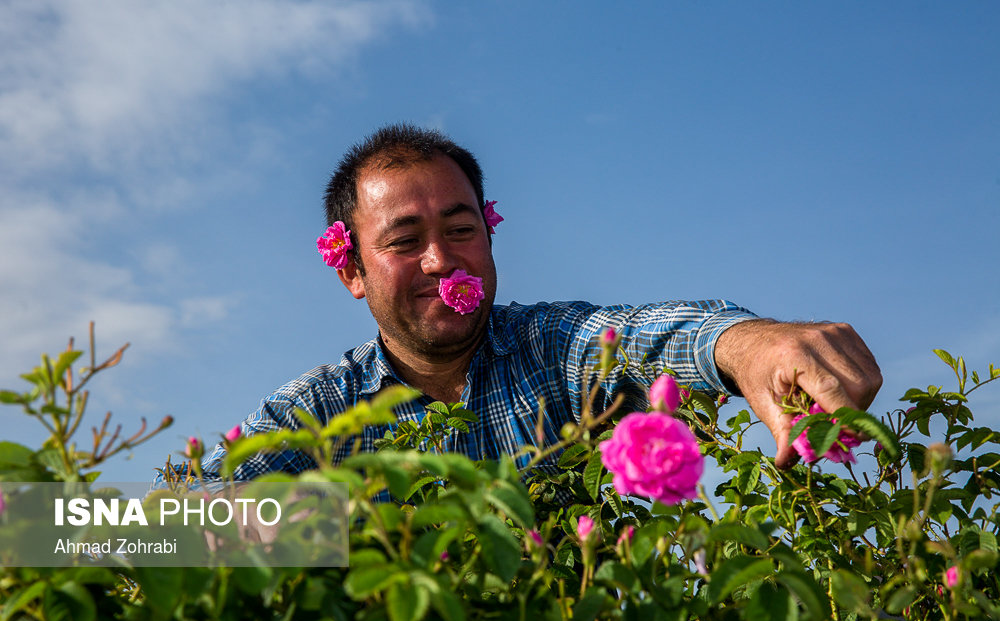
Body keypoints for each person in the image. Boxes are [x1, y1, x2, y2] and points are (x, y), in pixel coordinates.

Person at [154, 124, 881, 494]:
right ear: (351, 269)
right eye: (406, 240)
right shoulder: (316, 415)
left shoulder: (550, 347)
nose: (442, 260)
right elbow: (170, 523)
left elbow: (647, 336)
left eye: (461, 229)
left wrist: (751, 346)